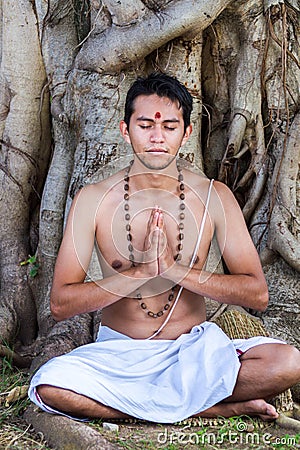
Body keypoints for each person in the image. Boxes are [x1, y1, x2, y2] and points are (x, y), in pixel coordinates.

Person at [29, 72, 300, 423]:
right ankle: (207, 407)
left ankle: (150, 406)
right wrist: (139, 273)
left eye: (170, 127)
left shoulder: (214, 196)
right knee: (50, 386)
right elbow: (61, 303)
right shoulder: (93, 200)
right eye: (145, 125)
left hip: (194, 353)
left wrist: (175, 271)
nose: (157, 138)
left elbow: (257, 295)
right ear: (126, 130)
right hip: (119, 356)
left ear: (186, 133)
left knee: (287, 362)